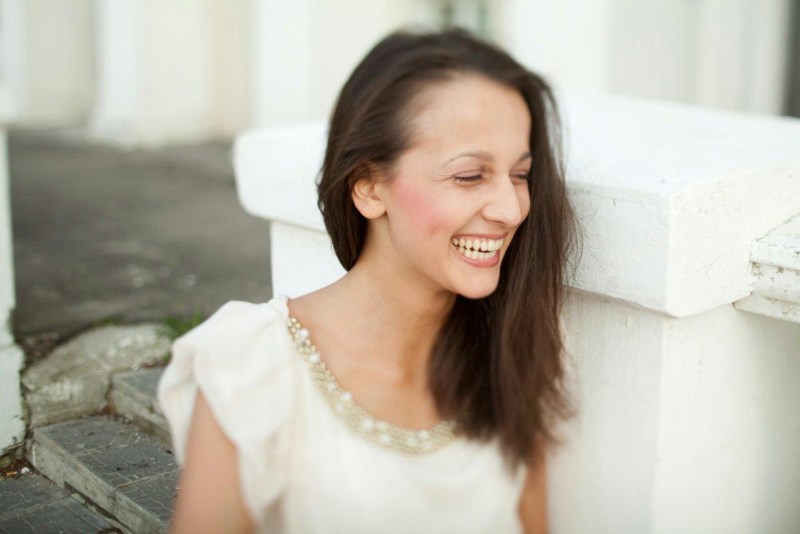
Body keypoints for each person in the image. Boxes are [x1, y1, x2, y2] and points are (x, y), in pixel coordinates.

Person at [158, 27, 577, 534]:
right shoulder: (252, 369)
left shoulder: (511, 355)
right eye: (469, 176)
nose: (510, 210)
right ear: (369, 188)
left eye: (520, 175)